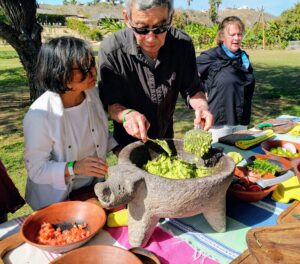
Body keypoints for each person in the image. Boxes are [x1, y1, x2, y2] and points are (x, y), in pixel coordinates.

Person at [98, 0, 213, 150]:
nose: (151, 38)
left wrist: (202, 107)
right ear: (127, 19)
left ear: (170, 17)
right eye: (142, 29)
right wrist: (127, 115)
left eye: (161, 28)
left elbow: (193, 89)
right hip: (128, 145)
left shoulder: (182, 45)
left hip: (166, 137)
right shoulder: (111, 50)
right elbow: (111, 103)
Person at [23, 36, 117, 210]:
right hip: (54, 202)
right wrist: (74, 168)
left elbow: (96, 133)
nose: (93, 72)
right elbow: (37, 170)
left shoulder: (92, 95)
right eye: (83, 68)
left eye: (92, 64)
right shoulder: (40, 115)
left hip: (90, 191)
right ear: (60, 74)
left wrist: (118, 148)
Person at [197, 16, 255, 142]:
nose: (236, 38)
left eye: (239, 34)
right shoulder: (211, 56)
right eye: (232, 34)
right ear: (222, 36)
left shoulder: (243, 58)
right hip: (218, 124)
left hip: (241, 121)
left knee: (240, 158)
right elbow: (188, 75)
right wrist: (200, 93)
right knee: (219, 159)